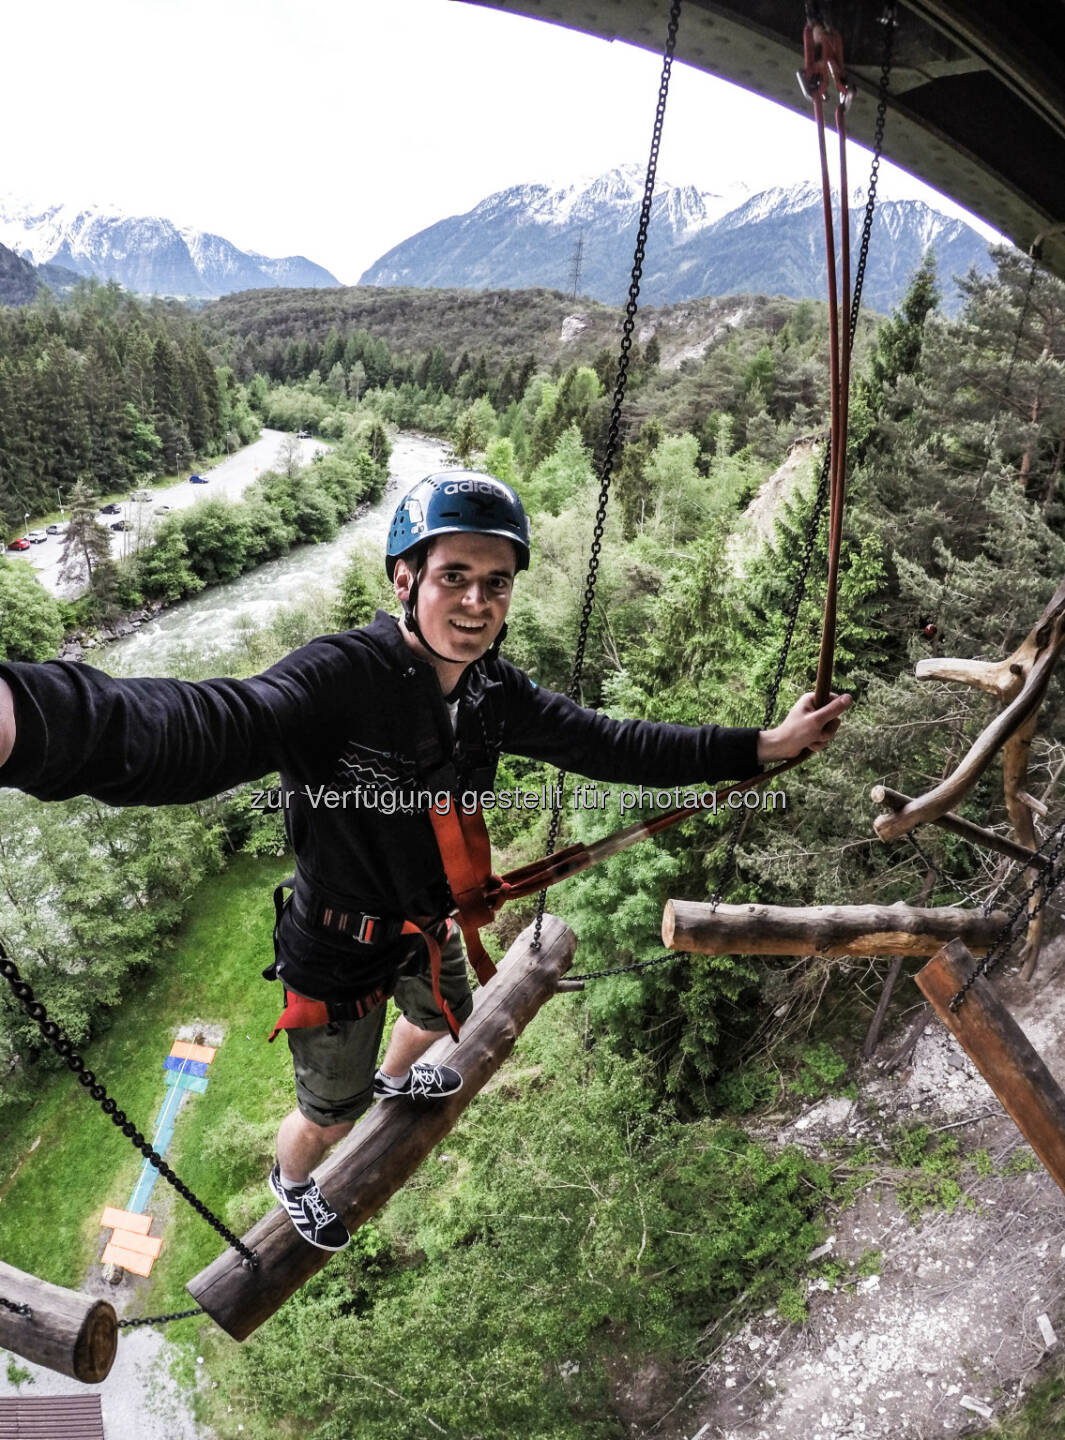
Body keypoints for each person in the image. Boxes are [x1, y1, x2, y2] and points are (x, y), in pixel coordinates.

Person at [0, 471, 850, 1251]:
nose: (477, 602)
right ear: (404, 580)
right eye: (455, 576)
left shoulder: (490, 691)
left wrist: (759, 745)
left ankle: (394, 1080)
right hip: (334, 948)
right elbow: (213, 722)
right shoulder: (340, 676)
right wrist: (29, 722)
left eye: (496, 582)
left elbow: (609, 742)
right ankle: (289, 1179)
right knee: (326, 1115)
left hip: (427, 920)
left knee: (444, 1018)